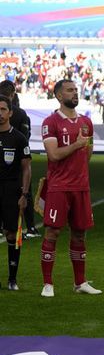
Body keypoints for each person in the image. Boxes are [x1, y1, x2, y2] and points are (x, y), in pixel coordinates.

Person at [40, 80, 101, 297]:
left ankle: (80, 282)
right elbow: (53, 155)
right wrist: (76, 145)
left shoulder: (86, 122)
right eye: (69, 90)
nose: (75, 93)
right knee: (53, 231)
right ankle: (48, 284)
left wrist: (80, 159)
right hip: (59, 186)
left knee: (79, 234)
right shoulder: (50, 122)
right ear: (58, 95)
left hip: (81, 187)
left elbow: (89, 152)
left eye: (76, 90)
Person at [0, 96, 31, 291]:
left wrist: (24, 194)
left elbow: (26, 168)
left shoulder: (18, 137)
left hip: (11, 189)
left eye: (3, 109)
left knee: (12, 233)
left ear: (10, 113)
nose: (0, 113)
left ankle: (12, 279)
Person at [0, 81, 36, 238]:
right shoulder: (21, 114)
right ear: (13, 94)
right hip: (16, 168)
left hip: (10, 166)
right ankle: (31, 227)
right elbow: (25, 138)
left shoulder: (18, 114)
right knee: (24, 192)